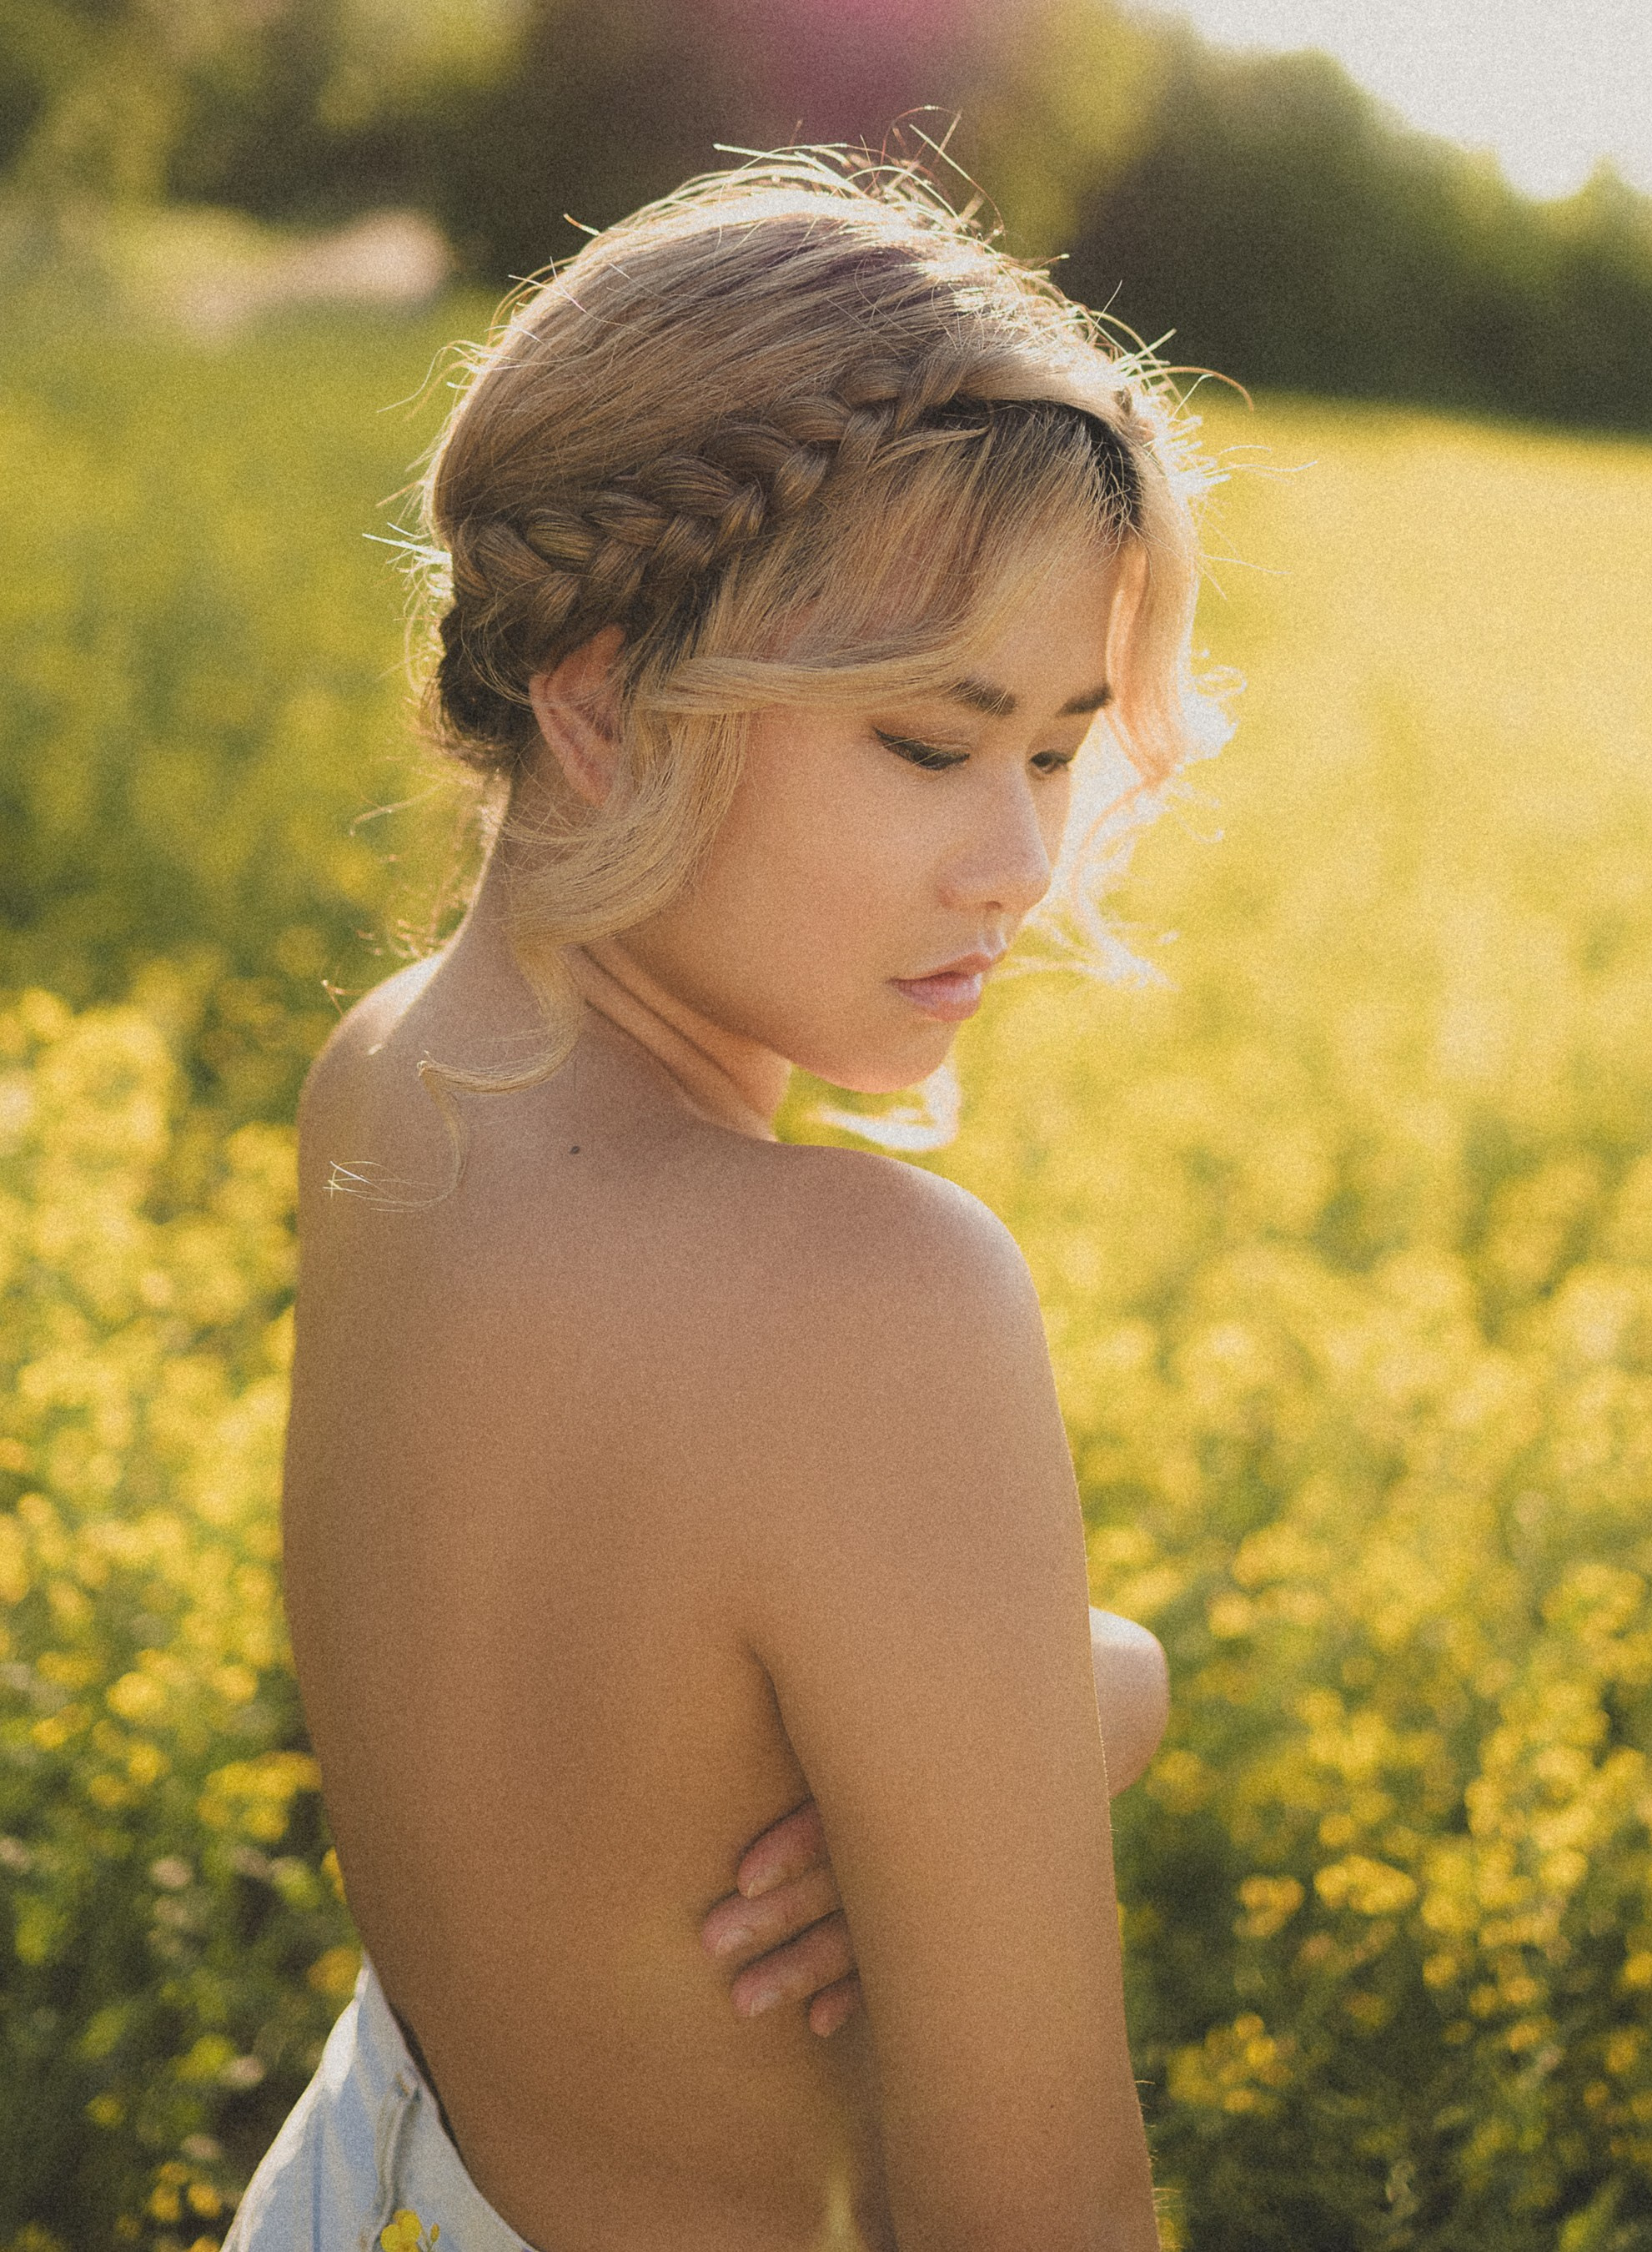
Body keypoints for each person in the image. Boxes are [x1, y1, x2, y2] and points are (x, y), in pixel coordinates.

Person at [226, 151, 1213, 2252]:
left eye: (1051, 753)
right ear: (597, 705)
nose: (1018, 869)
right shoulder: (870, 1302)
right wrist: (1032, 1747)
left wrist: (1070, 1712)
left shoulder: (388, 1080)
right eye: (933, 744)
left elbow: (616, 1746)